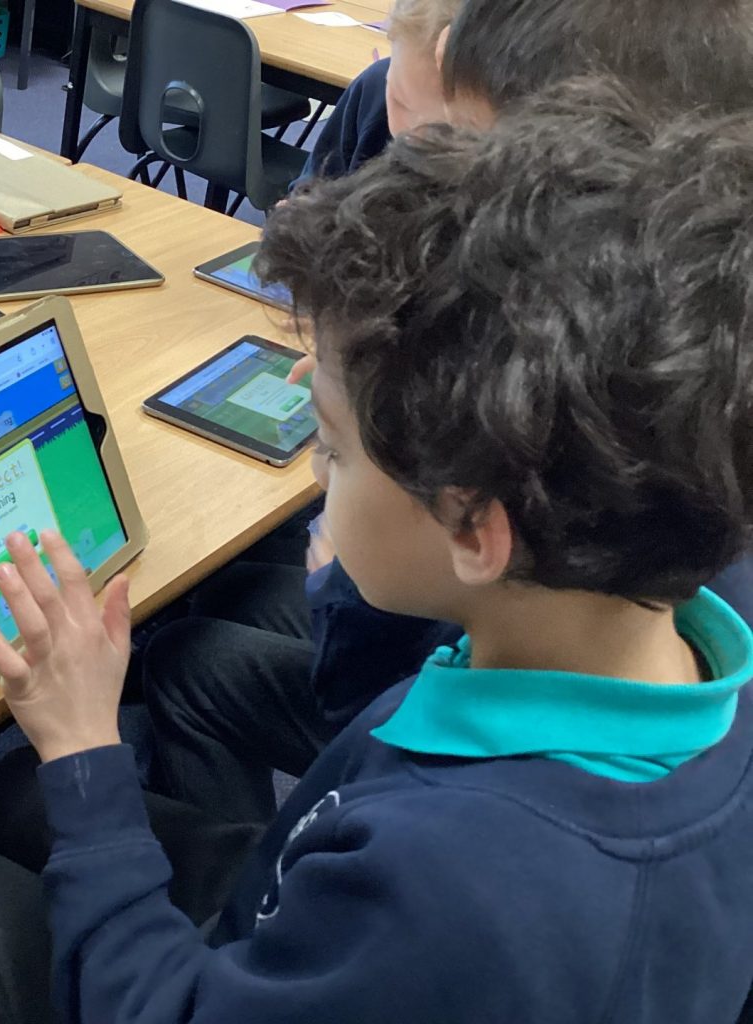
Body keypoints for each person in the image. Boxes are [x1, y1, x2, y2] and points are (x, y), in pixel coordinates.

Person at [0, 82, 753, 1023]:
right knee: (20, 796)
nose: (321, 457)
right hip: (311, 911)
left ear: (472, 529)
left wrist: (83, 746)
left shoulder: (451, 885)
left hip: (272, 968)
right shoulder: (656, 634)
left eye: (331, 445)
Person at [145, 0, 753, 826]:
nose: (439, 193)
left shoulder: (542, 485)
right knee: (224, 611)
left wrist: (363, 454)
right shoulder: (684, 379)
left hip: (414, 710)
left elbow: (370, 689)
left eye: (471, 166)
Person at [300, 0, 459, 180]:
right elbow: (312, 183)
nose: (408, 137)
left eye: (443, 132)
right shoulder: (375, 88)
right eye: (400, 102)